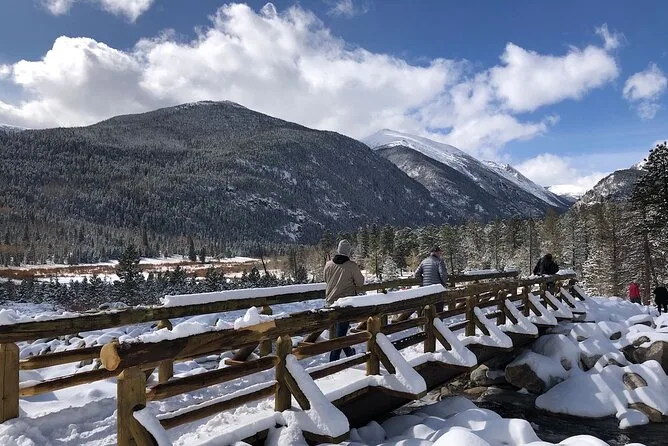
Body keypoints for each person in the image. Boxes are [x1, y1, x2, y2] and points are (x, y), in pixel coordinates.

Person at [324, 239, 365, 361]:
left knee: (340, 333)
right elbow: (360, 283)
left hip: (330, 303)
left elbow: (326, 279)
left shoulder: (328, 264)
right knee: (340, 335)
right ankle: (333, 361)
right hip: (344, 304)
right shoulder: (351, 266)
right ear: (349, 252)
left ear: (338, 250)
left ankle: (349, 353)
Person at [415, 246, 448, 312]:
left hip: (426, 288)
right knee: (438, 309)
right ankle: (438, 318)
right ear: (436, 253)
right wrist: (444, 284)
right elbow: (443, 274)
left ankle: (428, 318)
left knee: (428, 307)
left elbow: (416, 274)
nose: (440, 254)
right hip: (437, 288)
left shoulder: (424, 261)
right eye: (440, 252)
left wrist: (423, 282)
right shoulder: (439, 261)